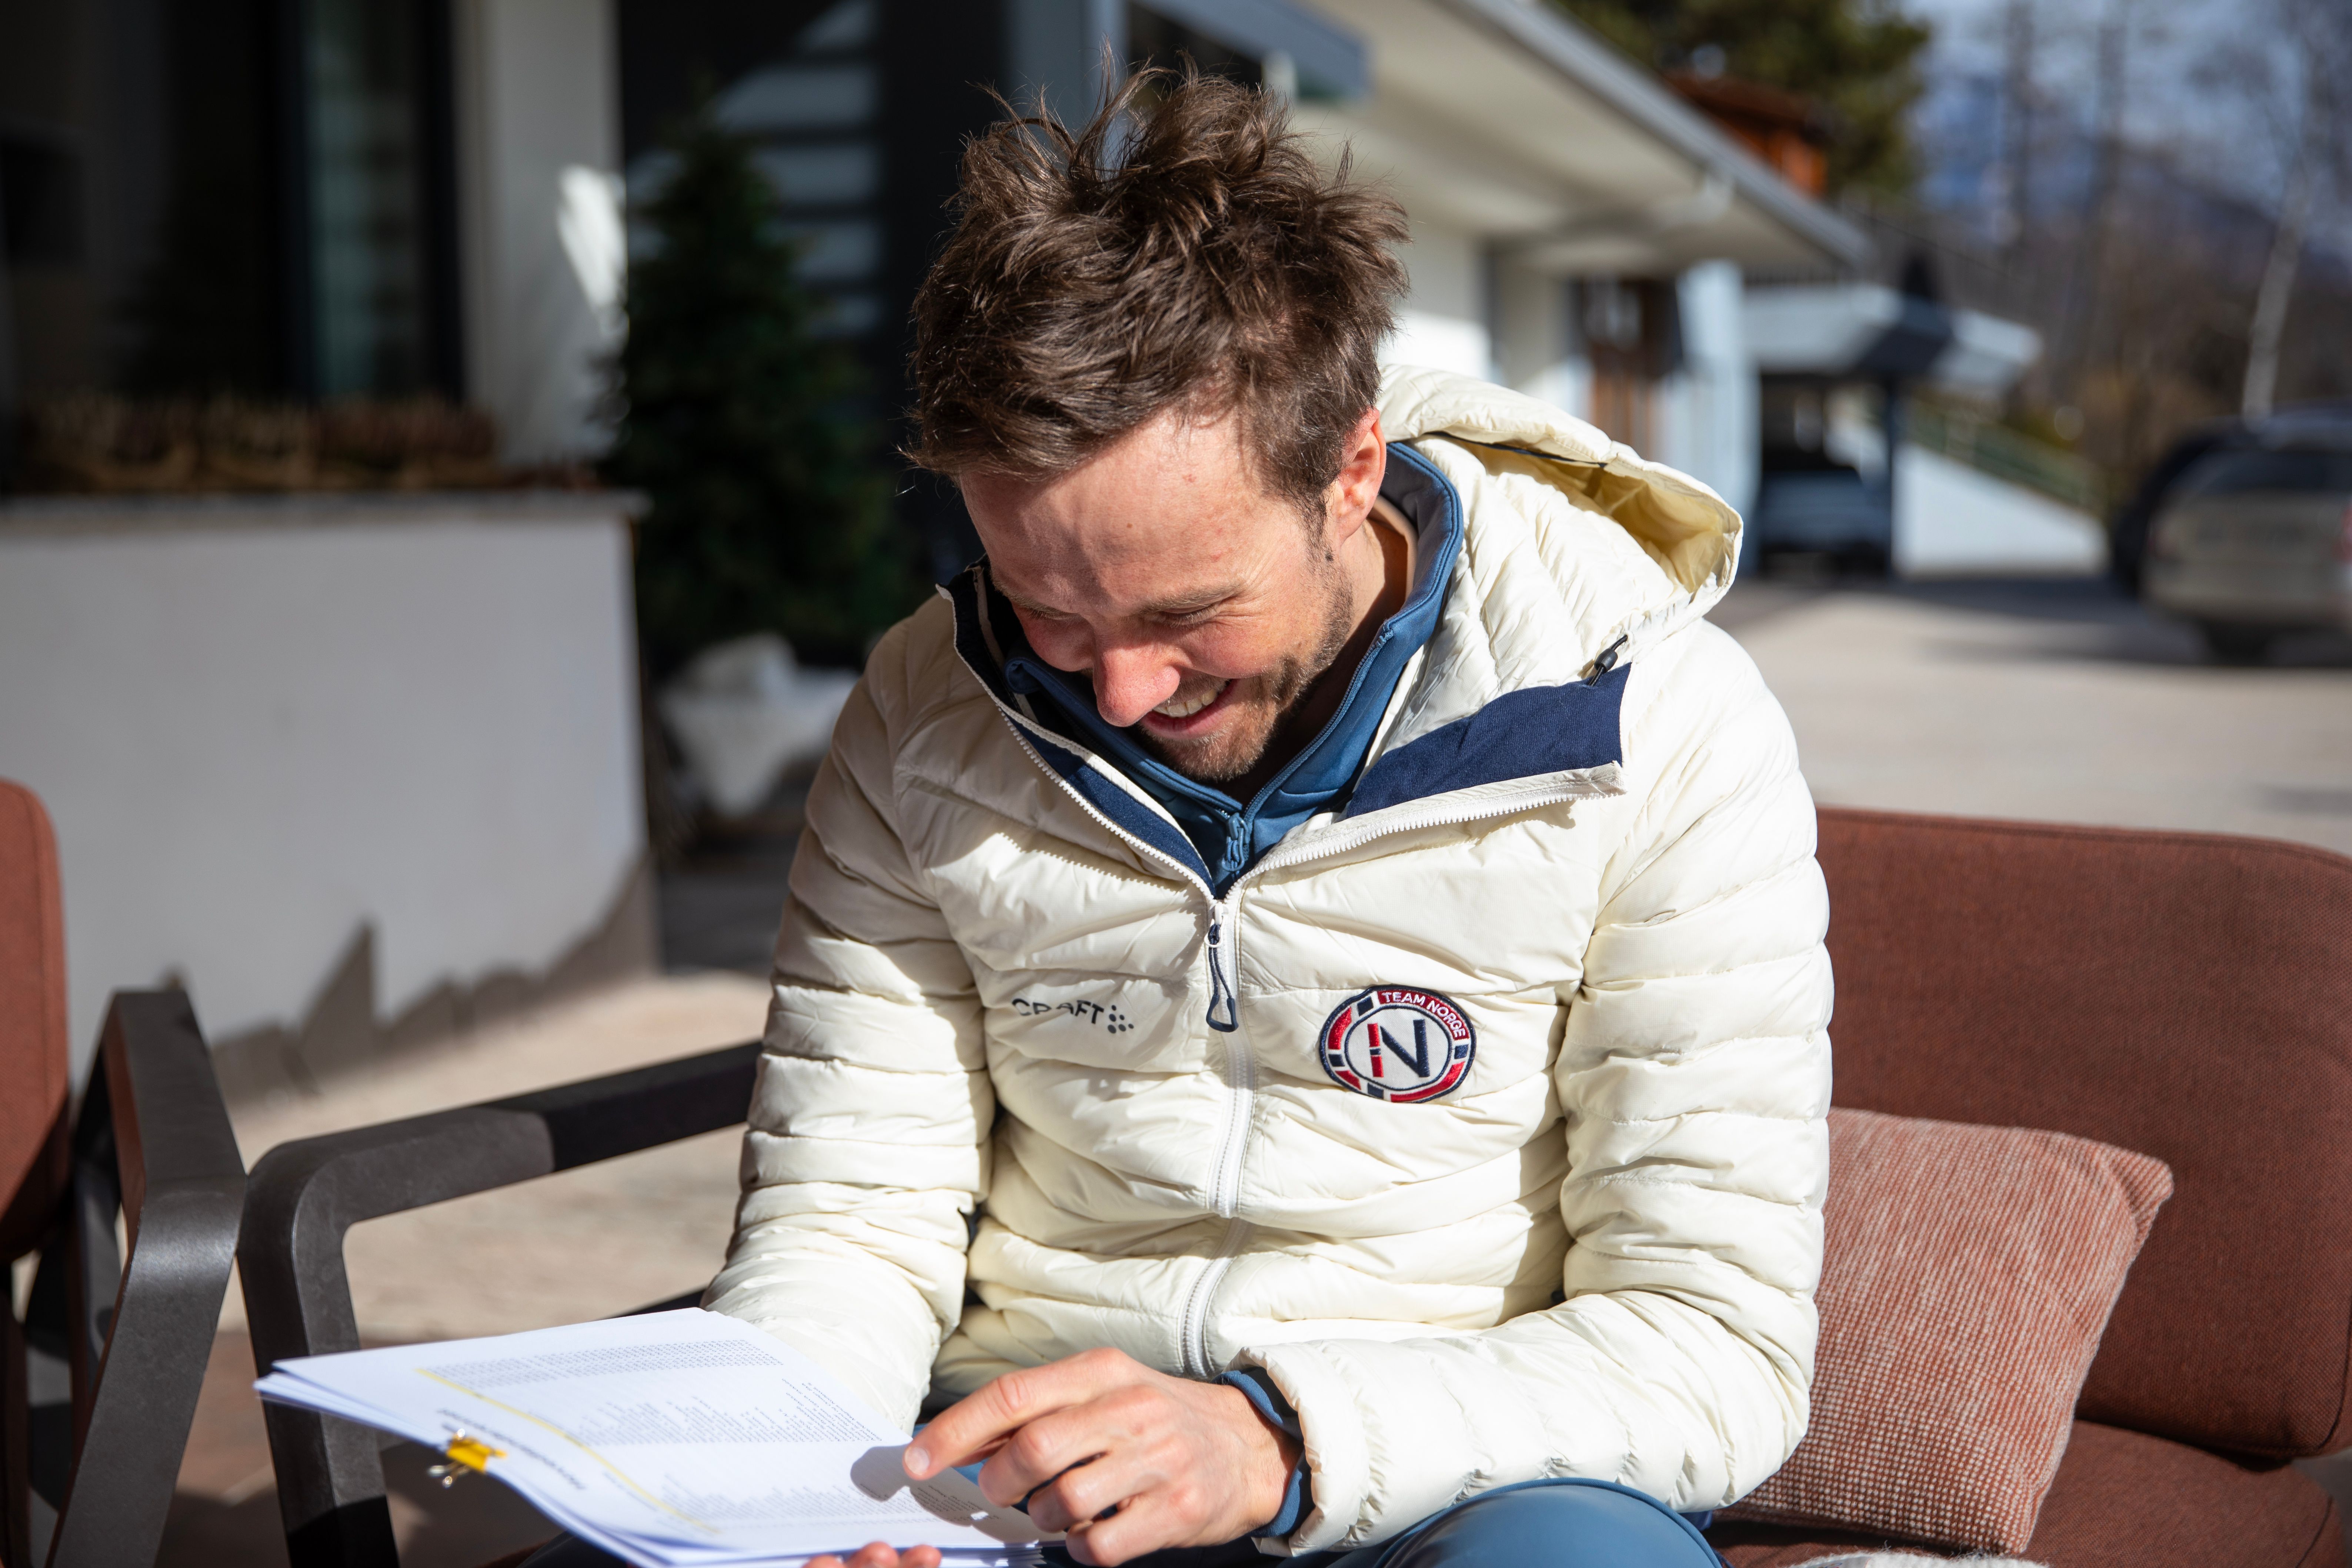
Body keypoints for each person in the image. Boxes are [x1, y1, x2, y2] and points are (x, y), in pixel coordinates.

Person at [528, 67, 1829, 1568]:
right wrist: (794, 1486)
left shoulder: (1651, 723)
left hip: (1453, 1482)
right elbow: (848, 1219)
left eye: (1186, 612)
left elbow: (1707, 1342)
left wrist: (1278, 1443)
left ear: (1349, 470)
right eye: (1050, 611)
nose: (1123, 688)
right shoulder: (922, 708)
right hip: (1010, 1471)